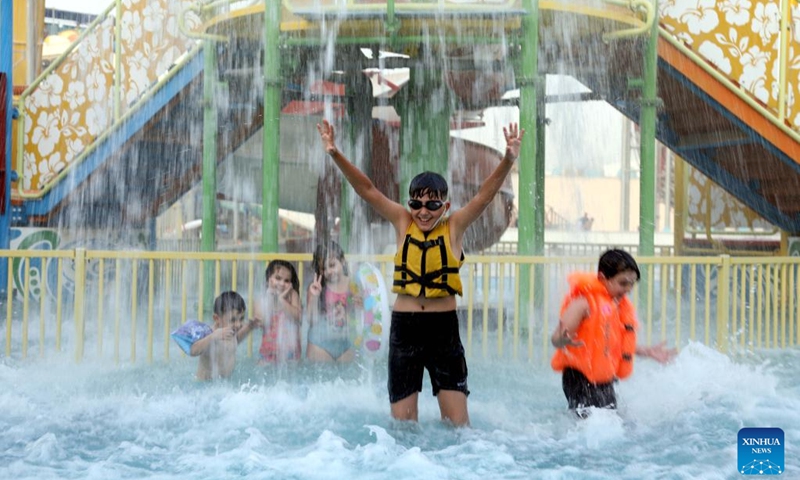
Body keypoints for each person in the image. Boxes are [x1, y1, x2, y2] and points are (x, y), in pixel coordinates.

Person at [316, 119, 524, 427]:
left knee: (457, 424)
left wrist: (508, 160)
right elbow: (367, 190)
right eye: (416, 202)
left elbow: (484, 195)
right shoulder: (403, 221)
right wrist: (335, 153)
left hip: (443, 330)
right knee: (403, 424)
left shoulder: (455, 226)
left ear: (445, 205)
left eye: (431, 203)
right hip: (405, 328)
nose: (423, 211)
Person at [550, 249, 677, 417]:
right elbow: (556, 338)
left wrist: (646, 351)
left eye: (632, 283)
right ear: (603, 278)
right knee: (591, 425)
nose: (628, 288)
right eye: (623, 283)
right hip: (579, 377)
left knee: (612, 422)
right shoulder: (583, 303)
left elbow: (611, 343)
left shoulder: (614, 306)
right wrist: (562, 340)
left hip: (604, 378)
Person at [306, 241, 362, 362]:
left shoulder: (353, 284)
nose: (329, 271)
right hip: (319, 344)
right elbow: (310, 320)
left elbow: (361, 317)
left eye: (332, 265)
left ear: (342, 260)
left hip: (346, 344)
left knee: (347, 380)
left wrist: (360, 305)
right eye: (323, 269)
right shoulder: (316, 287)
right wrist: (315, 296)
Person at [191, 291, 262, 381]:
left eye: (241, 319)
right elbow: (193, 350)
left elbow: (235, 340)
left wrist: (249, 326)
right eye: (233, 320)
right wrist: (212, 337)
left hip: (225, 384)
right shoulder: (210, 333)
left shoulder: (229, 331)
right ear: (217, 319)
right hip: (205, 386)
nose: (238, 324)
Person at [254, 260, 302, 363]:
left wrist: (281, 300)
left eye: (287, 281)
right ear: (269, 279)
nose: (282, 283)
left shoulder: (292, 295)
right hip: (267, 353)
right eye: (278, 278)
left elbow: (297, 317)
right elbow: (261, 322)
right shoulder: (262, 299)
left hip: (290, 353)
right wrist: (271, 298)